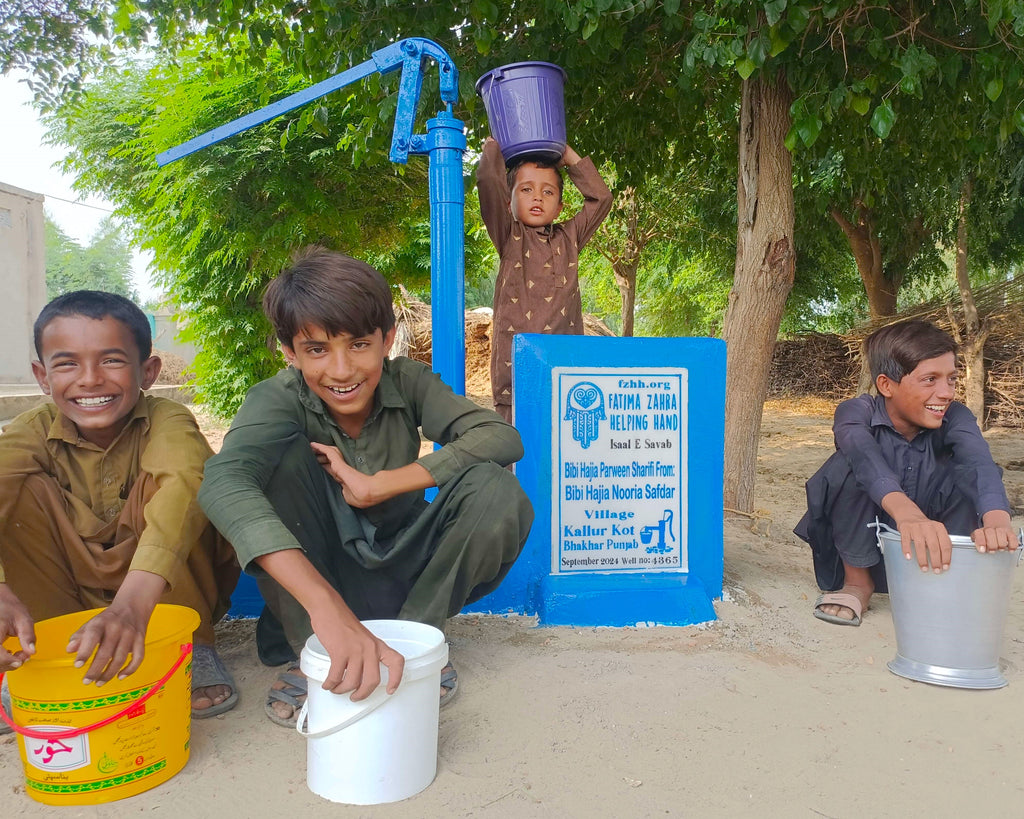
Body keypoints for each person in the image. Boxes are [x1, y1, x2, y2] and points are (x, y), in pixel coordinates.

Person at [197, 247, 533, 727]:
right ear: (290, 353)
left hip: (406, 577)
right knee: (266, 470)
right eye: (316, 350)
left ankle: (413, 642)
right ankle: (316, 650)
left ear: (387, 339)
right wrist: (325, 608)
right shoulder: (277, 399)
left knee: (495, 488)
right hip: (319, 582)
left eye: (358, 344)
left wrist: (382, 485)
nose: (341, 370)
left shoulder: (410, 382)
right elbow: (223, 481)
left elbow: (501, 437)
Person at [0, 291, 240, 728]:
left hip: (162, 596)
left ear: (147, 371)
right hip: (67, 596)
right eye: (67, 364)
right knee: (21, 492)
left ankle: (192, 645)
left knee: (180, 486)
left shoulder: (168, 420)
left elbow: (185, 479)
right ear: (41, 376)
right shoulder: (30, 433)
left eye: (111, 361)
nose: (89, 379)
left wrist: (131, 606)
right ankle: (49, 651)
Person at [794, 319, 1016, 626]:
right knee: (849, 464)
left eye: (951, 379)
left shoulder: (956, 417)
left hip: (931, 552)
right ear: (887, 385)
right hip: (864, 548)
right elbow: (859, 450)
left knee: (971, 473)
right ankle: (858, 584)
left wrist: (996, 520)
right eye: (930, 380)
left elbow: (977, 459)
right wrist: (907, 513)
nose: (946, 392)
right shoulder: (856, 412)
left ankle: (939, 583)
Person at [477, 136, 613, 423]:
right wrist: (496, 146)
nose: (537, 197)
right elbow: (489, 182)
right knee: (515, 458)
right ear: (509, 202)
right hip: (515, 378)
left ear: (560, 207)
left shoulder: (570, 237)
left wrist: (568, 155)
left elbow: (602, 199)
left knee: (561, 460)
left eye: (548, 192)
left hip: (565, 375)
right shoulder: (508, 235)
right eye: (526, 189)